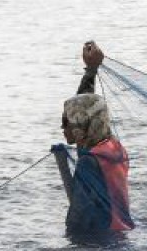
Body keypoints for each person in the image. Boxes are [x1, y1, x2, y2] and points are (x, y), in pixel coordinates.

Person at [58, 42, 133, 238]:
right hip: (121, 233)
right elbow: (88, 105)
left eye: (67, 122)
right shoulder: (112, 147)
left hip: (98, 239)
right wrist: (91, 70)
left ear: (81, 125)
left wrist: (70, 240)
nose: (63, 128)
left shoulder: (89, 162)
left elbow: (79, 215)